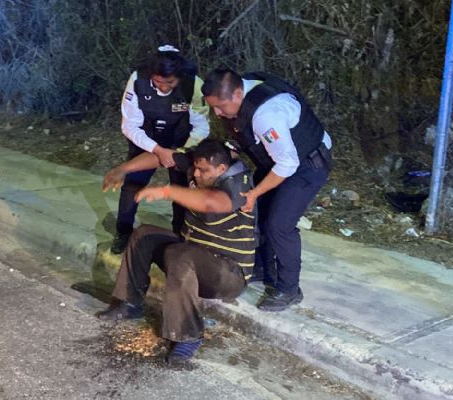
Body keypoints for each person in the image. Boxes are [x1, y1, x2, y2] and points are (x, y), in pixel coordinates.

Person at [98, 139, 255, 364]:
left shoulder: (240, 182)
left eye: (203, 171)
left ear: (221, 168)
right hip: (193, 252)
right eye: (196, 168)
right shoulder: (196, 166)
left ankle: (189, 335)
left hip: (228, 274)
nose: (197, 174)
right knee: (144, 235)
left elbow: (213, 203)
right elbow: (162, 156)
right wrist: (122, 169)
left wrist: (167, 191)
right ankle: (130, 304)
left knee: (180, 255)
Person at [201, 68, 333, 312]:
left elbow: (287, 163)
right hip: (278, 160)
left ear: (237, 94)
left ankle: (289, 289)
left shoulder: (267, 115)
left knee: (279, 225)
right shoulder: (243, 91)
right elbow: (246, 136)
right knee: (259, 214)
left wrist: (255, 192)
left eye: (219, 106)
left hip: (307, 163)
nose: (217, 113)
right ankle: (263, 268)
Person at [111, 45, 210, 254]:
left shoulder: (193, 84)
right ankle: (123, 232)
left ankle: (179, 236)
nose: (164, 88)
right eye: (158, 82)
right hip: (146, 138)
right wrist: (156, 149)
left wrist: (181, 152)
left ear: (179, 77)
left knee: (181, 190)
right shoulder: (137, 80)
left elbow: (201, 126)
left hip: (182, 141)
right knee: (132, 186)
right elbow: (129, 125)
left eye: (170, 83)